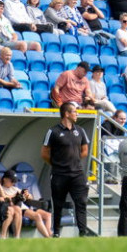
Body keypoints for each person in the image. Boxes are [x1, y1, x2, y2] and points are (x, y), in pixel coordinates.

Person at [41, 101, 93, 238]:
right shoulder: (53, 131)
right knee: (57, 204)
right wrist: (58, 164)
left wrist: (73, 161)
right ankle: (56, 232)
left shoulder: (80, 130)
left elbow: (85, 150)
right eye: (75, 111)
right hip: (59, 174)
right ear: (67, 113)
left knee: (81, 202)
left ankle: (83, 232)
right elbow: (44, 153)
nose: (77, 114)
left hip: (77, 174)